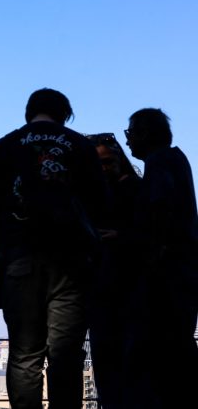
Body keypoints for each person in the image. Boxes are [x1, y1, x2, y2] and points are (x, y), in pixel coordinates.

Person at [0, 88, 107, 409]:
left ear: (29, 112)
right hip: (71, 263)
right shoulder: (80, 146)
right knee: (66, 354)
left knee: (25, 355)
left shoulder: (4, 146)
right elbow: (99, 204)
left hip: (19, 260)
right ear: (64, 114)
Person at [124, 108, 198, 409]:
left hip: (167, 279)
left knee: (163, 354)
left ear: (143, 134)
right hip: (182, 276)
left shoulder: (160, 163)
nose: (127, 141)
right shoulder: (176, 160)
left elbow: (158, 215)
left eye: (130, 134)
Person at [84, 133, 145, 409]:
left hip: (116, 288)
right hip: (117, 288)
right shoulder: (136, 189)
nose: (104, 169)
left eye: (108, 162)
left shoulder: (95, 196)